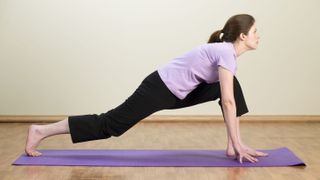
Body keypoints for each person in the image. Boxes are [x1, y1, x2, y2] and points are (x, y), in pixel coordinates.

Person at [25, 14, 268, 163]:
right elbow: (227, 102)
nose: (259, 36)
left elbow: (228, 95)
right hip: (160, 87)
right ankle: (41, 131)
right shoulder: (226, 52)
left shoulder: (226, 54)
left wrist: (235, 142)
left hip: (179, 91)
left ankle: (231, 145)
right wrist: (240, 144)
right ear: (243, 37)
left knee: (232, 87)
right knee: (111, 125)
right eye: (255, 31)